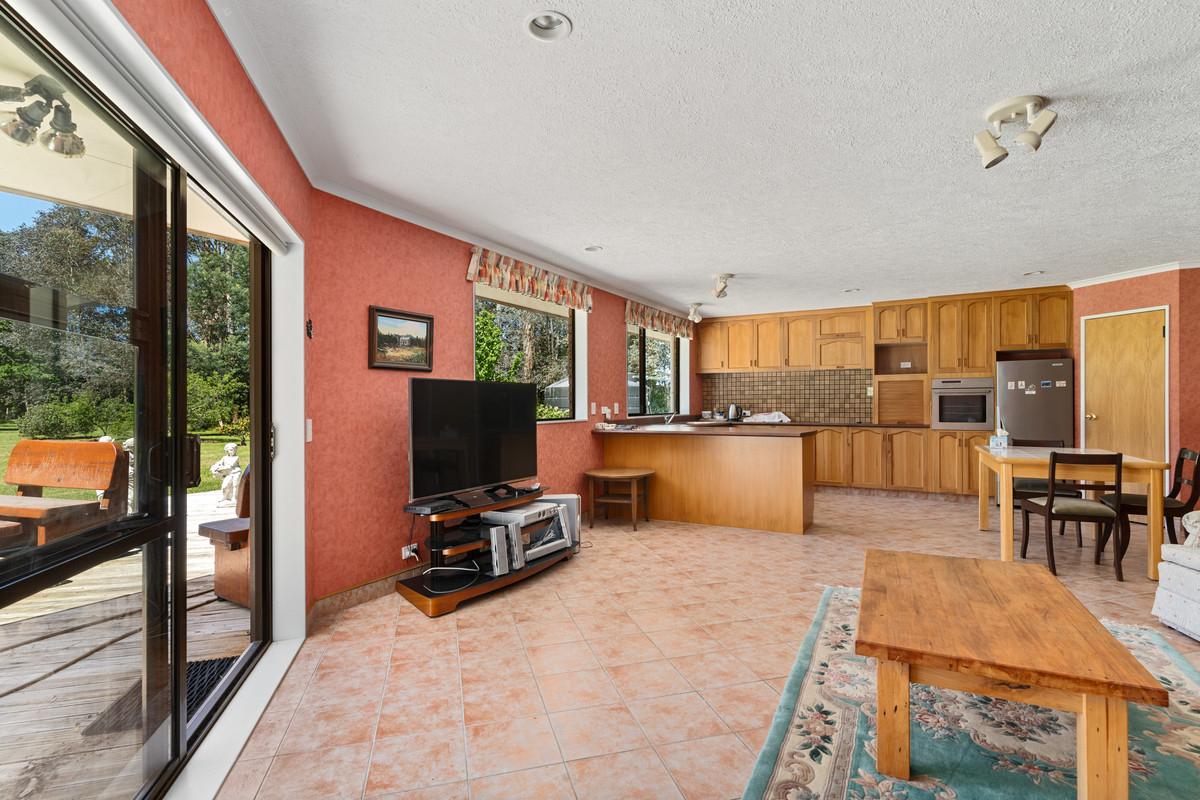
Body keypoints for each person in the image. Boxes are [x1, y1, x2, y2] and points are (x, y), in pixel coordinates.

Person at [210, 443, 243, 507]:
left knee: (235, 485)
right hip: (229, 473)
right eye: (231, 450)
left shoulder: (236, 457)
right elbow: (219, 463)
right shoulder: (225, 458)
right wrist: (214, 467)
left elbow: (229, 466)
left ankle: (234, 498)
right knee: (225, 485)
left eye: (234, 450)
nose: (233, 451)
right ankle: (225, 496)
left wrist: (219, 469)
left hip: (236, 472)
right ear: (227, 450)